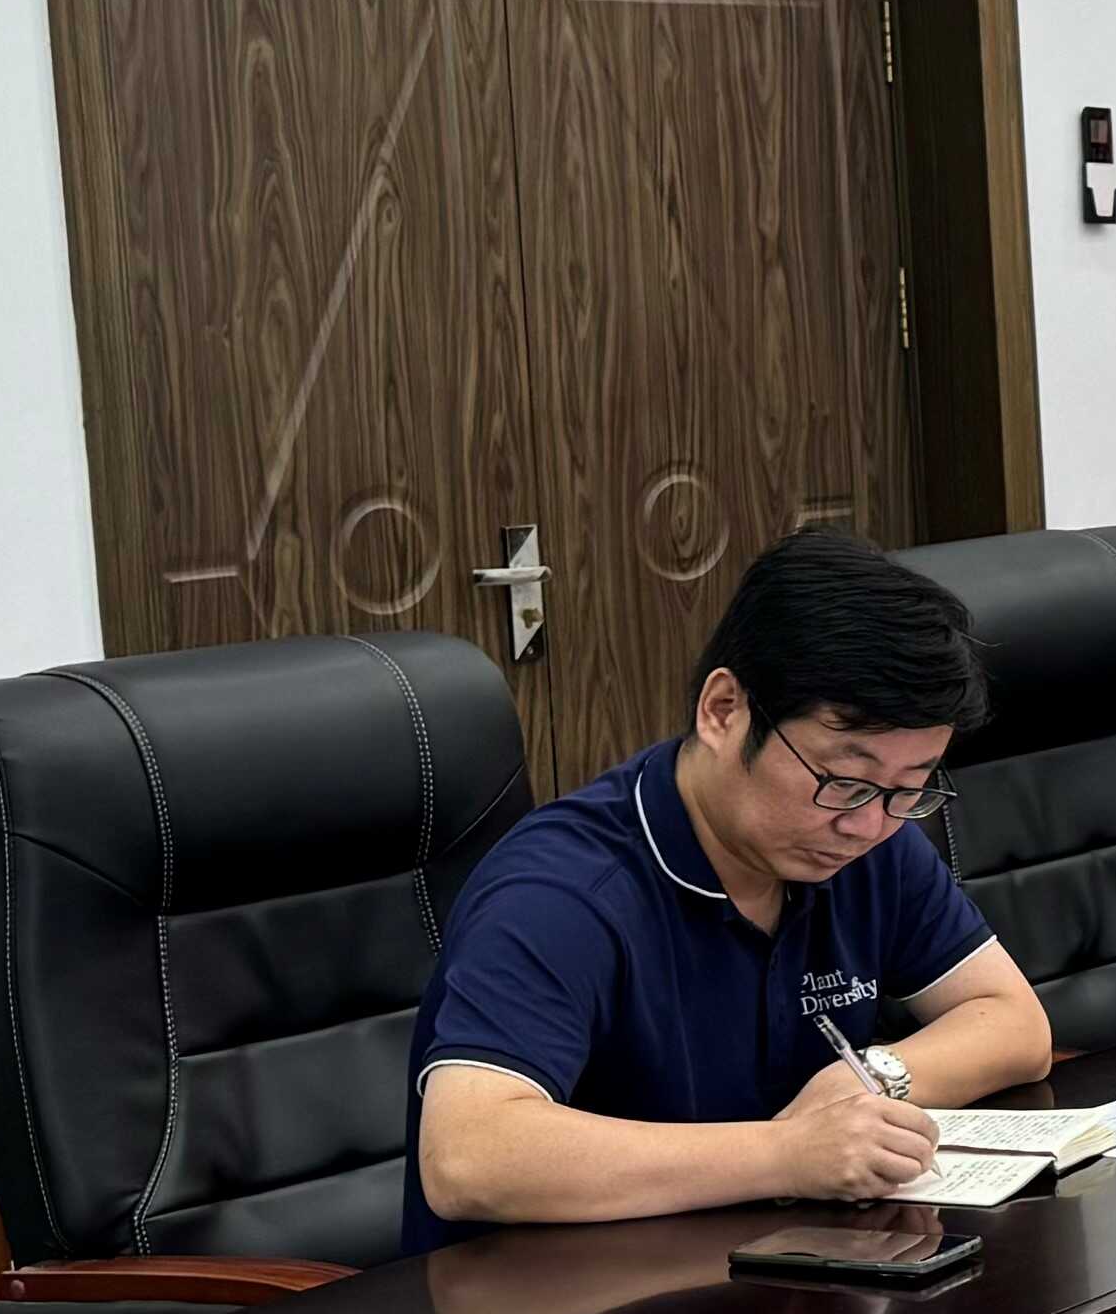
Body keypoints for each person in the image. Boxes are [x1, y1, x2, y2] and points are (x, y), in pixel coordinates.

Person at [408, 529, 1053, 1247]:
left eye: (909, 788)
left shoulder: (869, 843)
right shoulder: (562, 891)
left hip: (777, 1269)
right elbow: (469, 1156)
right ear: (723, 710)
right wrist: (786, 1154)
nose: (868, 824)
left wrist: (872, 1078)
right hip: (559, 1297)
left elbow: (1015, 1024)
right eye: (843, 780)